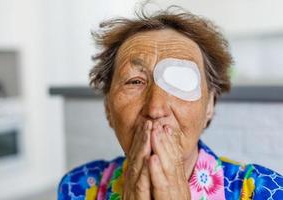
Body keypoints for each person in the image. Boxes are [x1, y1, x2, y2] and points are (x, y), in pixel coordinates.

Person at [58, 6, 283, 200]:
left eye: (181, 82)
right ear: (108, 108)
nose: (156, 109)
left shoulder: (264, 190)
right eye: (135, 81)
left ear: (209, 106)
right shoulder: (78, 187)